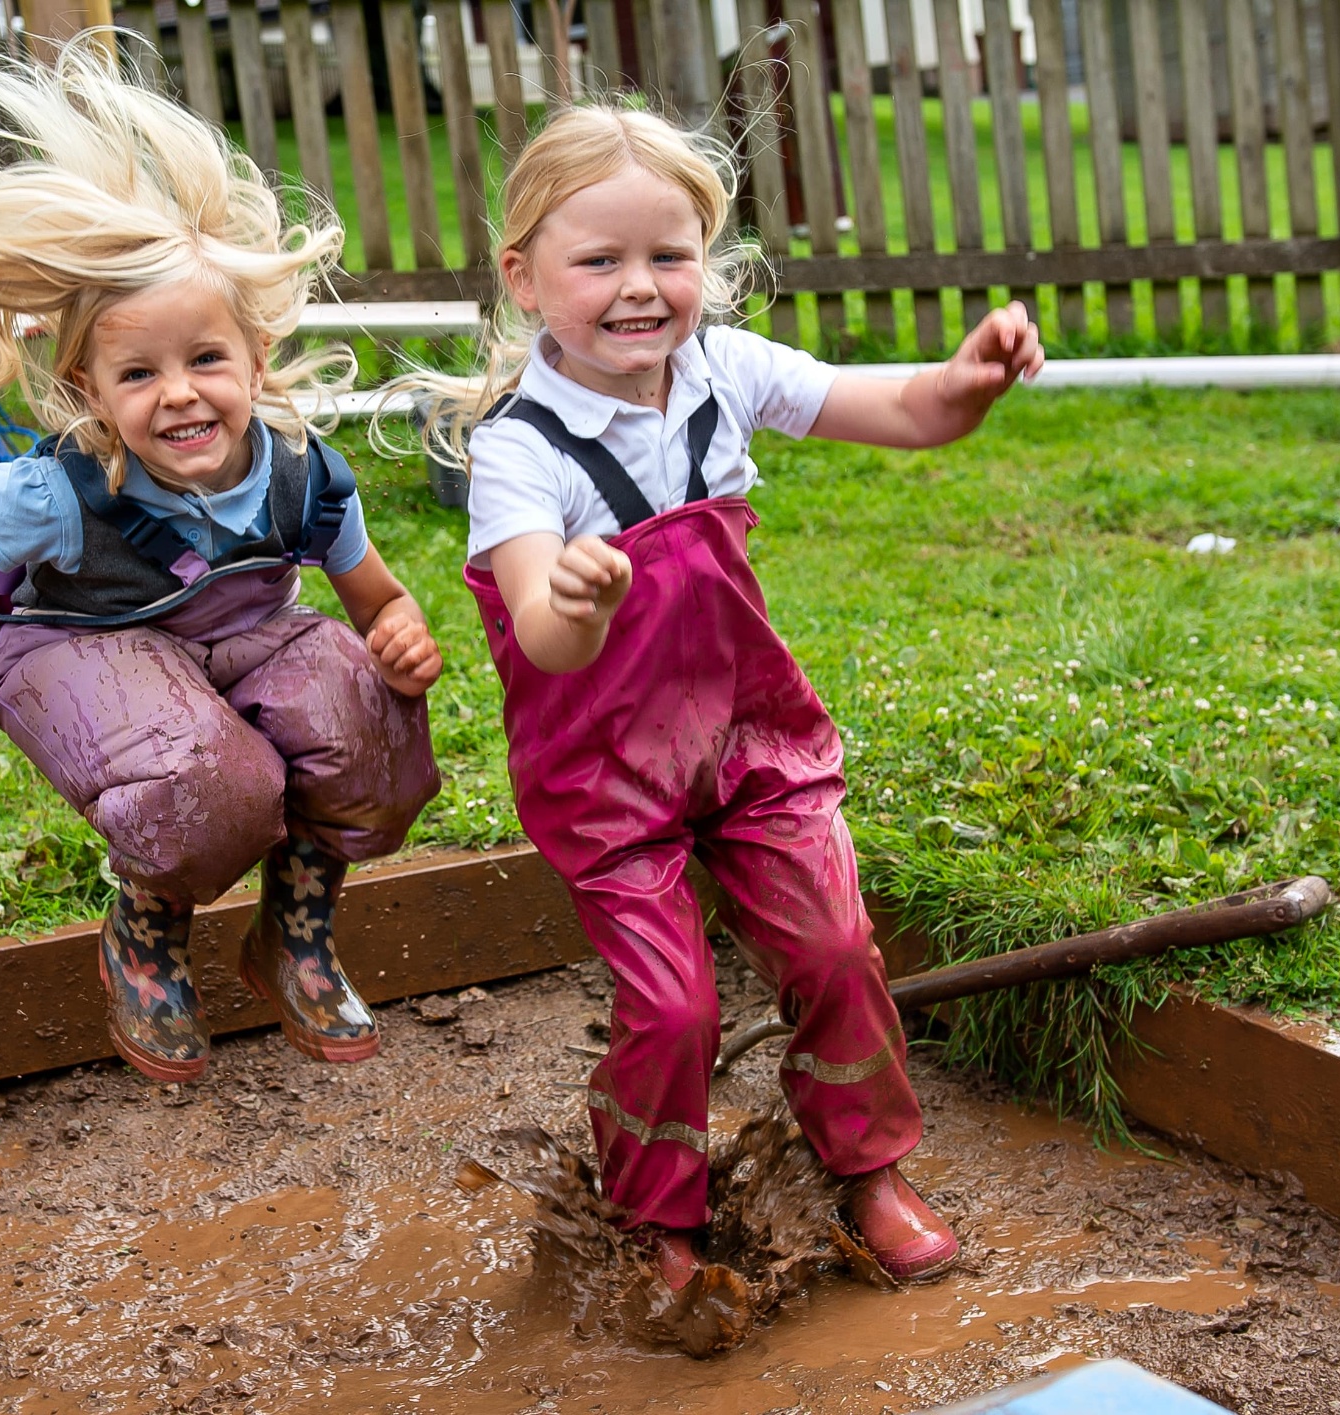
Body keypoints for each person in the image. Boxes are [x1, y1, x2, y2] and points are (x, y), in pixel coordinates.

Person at [405, 106, 1042, 1288]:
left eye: (668, 254)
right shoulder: (520, 448)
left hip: (748, 739)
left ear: (706, 259)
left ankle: (867, 1168)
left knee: (836, 945)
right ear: (523, 276)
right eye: (598, 260)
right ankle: (656, 1216)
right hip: (602, 771)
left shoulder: (724, 371)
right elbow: (539, 629)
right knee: (674, 1006)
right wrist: (580, 601)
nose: (638, 287)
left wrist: (966, 382)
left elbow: (907, 412)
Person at [0, 38, 442, 1084]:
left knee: (373, 727)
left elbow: (380, 603)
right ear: (89, 388)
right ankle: (144, 930)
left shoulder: (304, 474)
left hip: (242, 639)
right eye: (139, 373)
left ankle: (294, 931)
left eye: (206, 359)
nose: (178, 393)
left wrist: (400, 641)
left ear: (255, 358)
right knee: (218, 782)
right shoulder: (52, 494)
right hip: (82, 652)